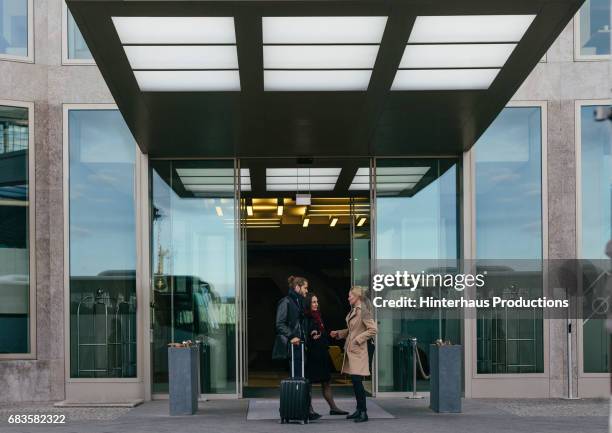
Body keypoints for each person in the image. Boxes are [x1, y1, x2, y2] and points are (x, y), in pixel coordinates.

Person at [272, 276, 321, 421]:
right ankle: (297, 411)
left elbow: (300, 323)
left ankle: (303, 410)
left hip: (301, 346)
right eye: (305, 287)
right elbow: (279, 324)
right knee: (297, 379)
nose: (307, 290)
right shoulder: (286, 302)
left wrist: (309, 332)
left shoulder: (298, 302)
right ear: (297, 287)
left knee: (302, 379)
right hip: (293, 347)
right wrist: (292, 336)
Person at [330, 286, 377, 423]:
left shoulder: (364, 311)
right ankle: (359, 410)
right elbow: (353, 330)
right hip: (354, 350)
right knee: (355, 382)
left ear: (357, 297)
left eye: (350, 295)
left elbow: (373, 330)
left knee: (357, 381)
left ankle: (363, 412)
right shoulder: (355, 311)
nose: (348, 298)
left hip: (360, 350)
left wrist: (358, 339)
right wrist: (339, 333)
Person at [304, 293, 348, 416]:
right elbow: (310, 332)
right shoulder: (306, 317)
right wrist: (313, 334)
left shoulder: (318, 315)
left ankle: (333, 408)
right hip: (313, 354)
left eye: (317, 302)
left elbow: (319, 331)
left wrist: (326, 334)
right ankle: (309, 409)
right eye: (313, 302)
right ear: (308, 303)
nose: (316, 304)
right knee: (309, 383)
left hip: (322, 353)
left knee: (326, 381)